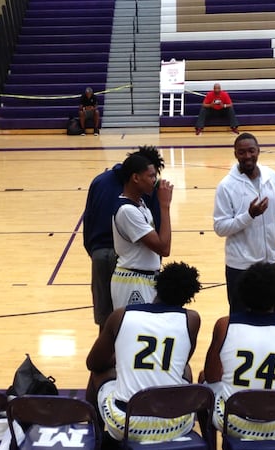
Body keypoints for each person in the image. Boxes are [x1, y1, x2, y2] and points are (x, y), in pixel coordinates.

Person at [86, 261, 202, 443]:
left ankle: (96, 439)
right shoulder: (192, 319)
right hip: (174, 425)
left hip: (126, 424)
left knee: (98, 372)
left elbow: (92, 363)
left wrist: (122, 357)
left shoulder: (120, 315)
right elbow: (181, 360)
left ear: (157, 285)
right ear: (189, 297)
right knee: (185, 369)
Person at [202, 262, 275, 439]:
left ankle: (210, 444)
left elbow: (212, 376)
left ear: (242, 293)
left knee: (203, 380)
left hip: (233, 422)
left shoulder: (224, 324)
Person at [213, 132, 275, 313]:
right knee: (240, 320)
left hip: (269, 264)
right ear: (235, 154)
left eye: (251, 151)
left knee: (272, 317)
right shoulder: (226, 186)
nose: (247, 156)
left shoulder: (271, 177)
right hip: (240, 267)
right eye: (242, 152)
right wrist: (248, 215)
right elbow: (220, 227)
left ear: (258, 151)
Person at [83, 146, 165, 330]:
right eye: (151, 174)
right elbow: (156, 228)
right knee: (135, 325)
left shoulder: (99, 181)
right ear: (137, 174)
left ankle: (104, 357)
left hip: (101, 254)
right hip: (132, 261)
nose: (154, 179)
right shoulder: (140, 193)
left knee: (106, 322)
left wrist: (94, 251)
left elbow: (88, 218)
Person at [110, 153, 173, 309]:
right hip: (133, 280)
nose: (155, 180)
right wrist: (164, 206)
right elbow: (164, 248)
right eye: (151, 176)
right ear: (136, 178)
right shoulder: (127, 211)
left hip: (144, 278)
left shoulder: (141, 204)